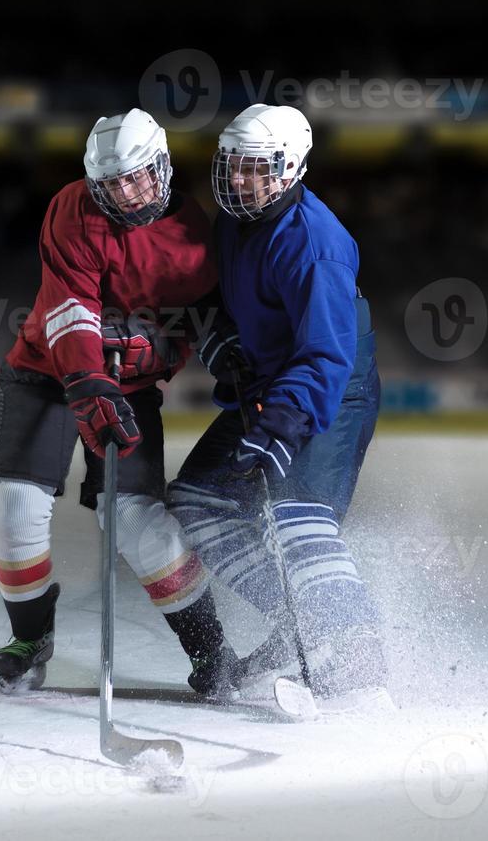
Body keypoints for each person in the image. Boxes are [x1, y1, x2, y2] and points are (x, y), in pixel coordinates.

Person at [0, 108, 238, 697]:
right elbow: (70, 310)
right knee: (16, 509)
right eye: (112, 183)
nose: (125, 193)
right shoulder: (73, 207)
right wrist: (88, 380)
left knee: (136, 521)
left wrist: (152, 352)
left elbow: (191, 330)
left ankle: (211, 651)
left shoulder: (197, 239)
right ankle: (30, 636)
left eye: (138, 178)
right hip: (47, 373)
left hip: (127, 386)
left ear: (163, 168)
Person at [168, 103, 386, 699]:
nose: (237, 179)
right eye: (231, 165)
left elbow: (326, 355)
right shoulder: (235, 221)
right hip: (269, 383)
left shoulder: (316, 245)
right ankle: (303, 624)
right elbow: (219, 294)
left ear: (289, 170)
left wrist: (283, 424)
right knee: (198, 500)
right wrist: (222, 337)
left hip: (328, 393)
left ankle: (355, 652)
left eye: (253, 168)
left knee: (300, 520)